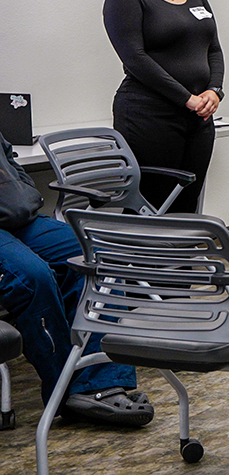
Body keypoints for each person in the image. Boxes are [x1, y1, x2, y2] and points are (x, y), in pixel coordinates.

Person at [0, 135, 153, 426]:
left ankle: (101, 382)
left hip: (19, 219)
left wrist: (24, 196)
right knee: (34, 277)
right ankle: (64, 390)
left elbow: (8, 157)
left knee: (99, 256)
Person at [103, 0, 224, 214]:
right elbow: (135, 58)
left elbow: (213, 48)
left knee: (188, 200)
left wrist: (214, 91)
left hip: (198, 116)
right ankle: (147, 262)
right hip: (149, 116)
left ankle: (180, 262)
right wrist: (187, 98)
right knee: (152, 201)